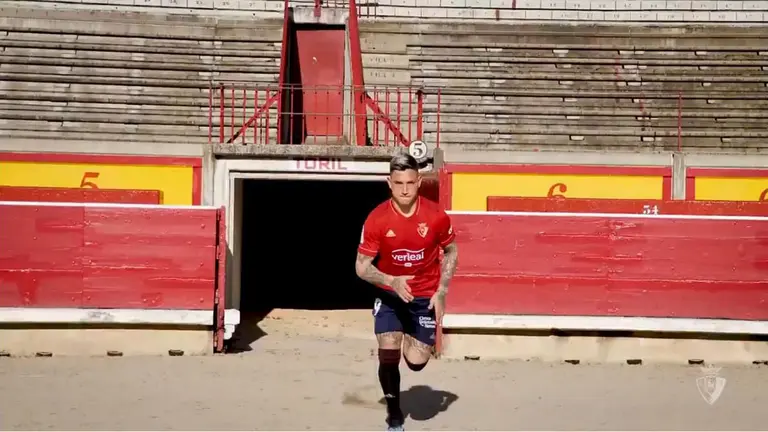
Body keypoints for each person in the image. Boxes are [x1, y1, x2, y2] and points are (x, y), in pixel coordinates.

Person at [355, 153, 459, 432]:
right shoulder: (377, 219)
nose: (404, 190)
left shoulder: (436, 216)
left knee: (416, 362)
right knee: (388, 351)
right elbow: (361, 268)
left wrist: (442, 290)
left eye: (410, 183)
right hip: (389, 294)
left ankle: (410, 338)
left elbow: (451, 251)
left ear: (419, 182)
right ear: (389, 183)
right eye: (398, 183)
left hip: (424, 295)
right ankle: (394, 413)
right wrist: (391, 280)